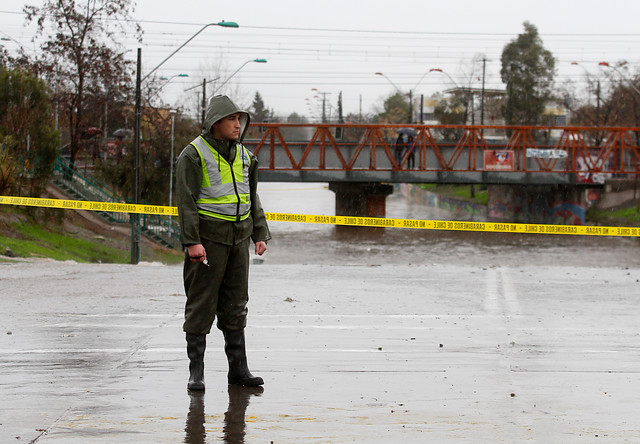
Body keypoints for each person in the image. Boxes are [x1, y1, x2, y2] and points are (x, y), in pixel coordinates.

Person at [175, 95, 271, 391]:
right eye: (232, 119)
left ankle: (238, 371)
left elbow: (250, 195)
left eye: (240, 119)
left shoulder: (245, 156)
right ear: (216, 123)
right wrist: (192, 241)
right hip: (208, 242)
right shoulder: (193, 155)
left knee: (236, 305)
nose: (237, 125)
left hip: (238, 241)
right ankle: (196, 372)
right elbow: (186, 202)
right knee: (201, 305)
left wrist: (259, 233)